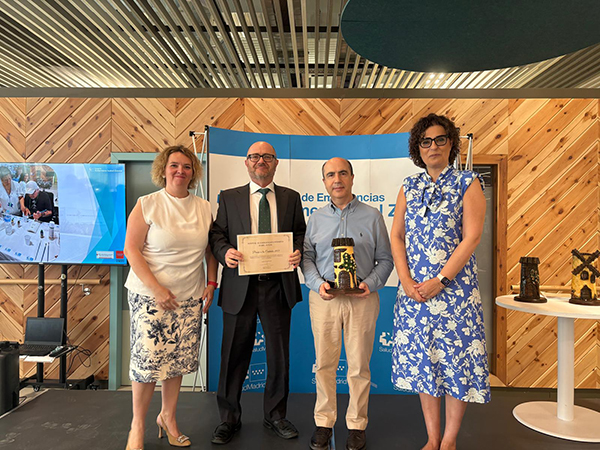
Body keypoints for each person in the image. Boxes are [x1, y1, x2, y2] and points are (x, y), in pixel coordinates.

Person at [390, 113, 490, 450]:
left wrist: (441, 280)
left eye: (440, 139)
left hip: (455, 294)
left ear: (451, 144)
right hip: (415, 294)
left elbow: (472, 237)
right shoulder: (409, 186)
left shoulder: (468, 182)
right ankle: (432, 438)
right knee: (425, 364)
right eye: (426, 141)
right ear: (418, 148)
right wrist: (405, 280)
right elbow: (397, 236)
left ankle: (449, 440)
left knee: (455, 364)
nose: (433, 146)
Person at [209, 141, 306, 445]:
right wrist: (225, 252)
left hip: (278, 286)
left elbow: (300, 232)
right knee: (232, 356)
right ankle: (228, 418)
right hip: (240, 287)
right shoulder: (229, 197)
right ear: (246, 162)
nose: (260, 161)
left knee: (278, 356)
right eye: (254, 156)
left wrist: (297, 250)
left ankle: (275, 415)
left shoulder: (291, 197)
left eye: (267, 156)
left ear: (276, 163)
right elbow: (217, 234)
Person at [123, 145, 218, 450]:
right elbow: (131, 250)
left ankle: (168, 418)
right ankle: (138, 426)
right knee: (148, 364)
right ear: (163, 170)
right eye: (174, 165)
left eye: (187, 166)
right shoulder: (147, 204)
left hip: (188, 297)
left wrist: (211, 282)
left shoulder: (204, 207)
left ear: (194, 172)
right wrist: (157, 289)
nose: (180, 171)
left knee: (176, 362)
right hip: (150, 297)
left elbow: (210, 250)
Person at [302, 157, 393, 450]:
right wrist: (317, 284)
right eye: (331, 175)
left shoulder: (373, 216)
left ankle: (356, 424)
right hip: (324, 298)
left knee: (358, 365)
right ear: (324, 182)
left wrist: (371, 283)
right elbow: (307, 258)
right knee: (324, 364)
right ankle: (324, 422)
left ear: (352, 178)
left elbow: (386, 259)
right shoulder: (316, 218)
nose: (337, 179)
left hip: (361, 299)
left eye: (343, 173)